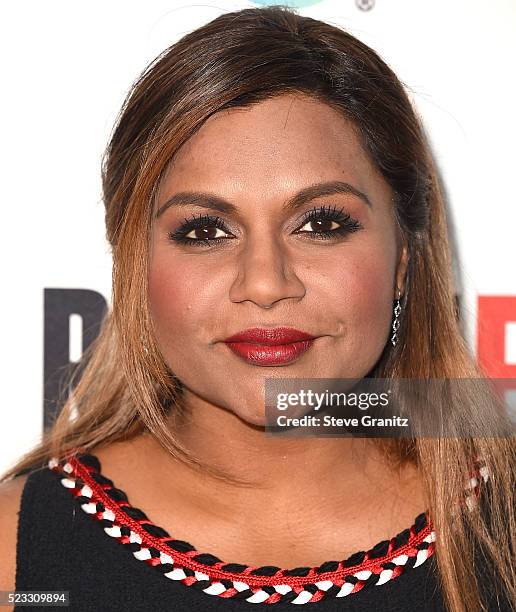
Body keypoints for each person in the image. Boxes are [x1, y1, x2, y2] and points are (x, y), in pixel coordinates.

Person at [0, 6, 514, 611]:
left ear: (403, 258)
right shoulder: (17, 556)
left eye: (322, 223)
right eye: (205, 230)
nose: (266, 283)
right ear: (135, 264)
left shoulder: (503, 527)